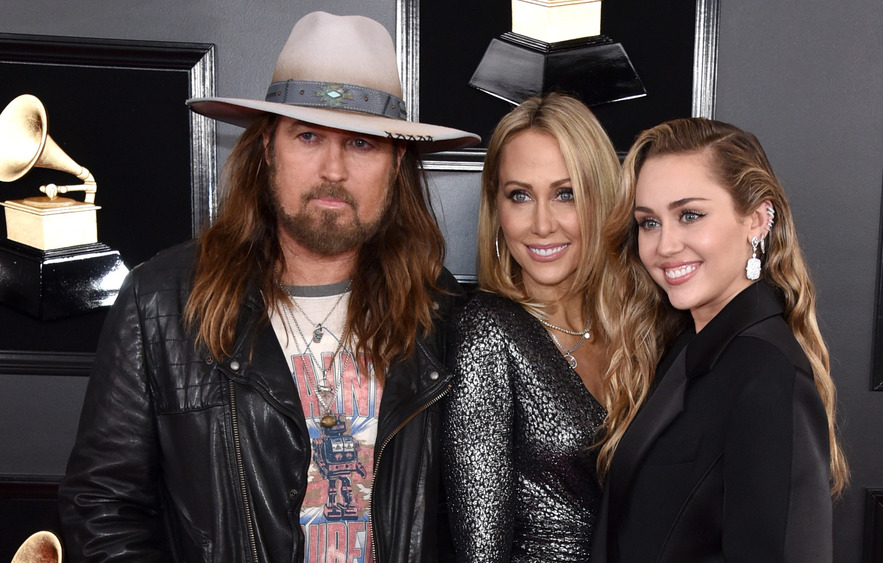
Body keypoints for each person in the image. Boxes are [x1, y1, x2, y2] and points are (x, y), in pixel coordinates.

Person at [57, 12, 479, 562]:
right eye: (308, 136)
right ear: (267, 149)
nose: (332, 168)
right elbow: (102, 505)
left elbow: (465, 518)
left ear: (397, 164)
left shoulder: (439, 310)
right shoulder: (160, 302)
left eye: (361, 143)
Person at [590, 118, 849, 562]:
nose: (664, 245)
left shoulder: (767, 375)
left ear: (757, 219)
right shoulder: (688, 347)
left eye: (690, 215)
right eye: (648, 222)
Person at [441, 93, 620, 562]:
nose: (542, 224)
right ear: (496, 210)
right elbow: (480, 552)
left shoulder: (637, 326)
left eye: (566, 194)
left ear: (602, 199)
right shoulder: (487, 332)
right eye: (519, 196)